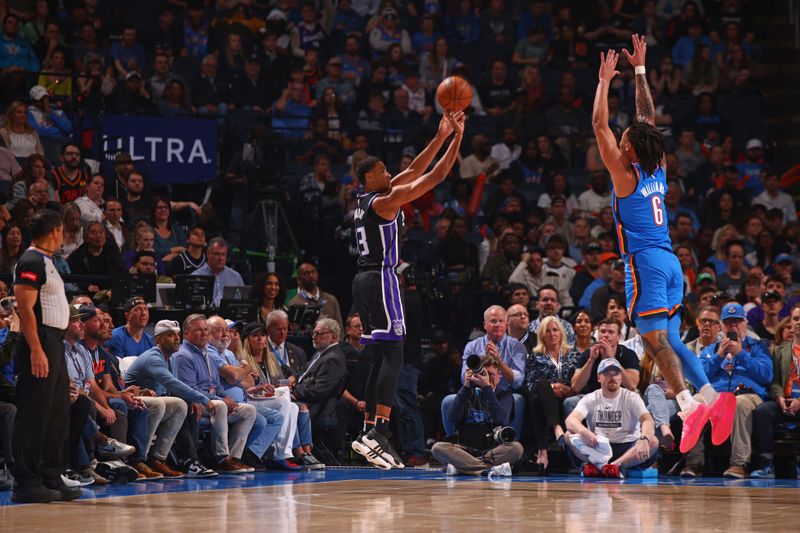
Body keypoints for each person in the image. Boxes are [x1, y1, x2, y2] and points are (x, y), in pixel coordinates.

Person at [592, 35, 735, 454]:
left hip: (647, 263)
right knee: (670, 340)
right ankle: (710, 397)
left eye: (625, 140)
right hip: (673, 263)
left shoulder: (626, 176)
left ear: (630, 148)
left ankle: (690, 408)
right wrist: (638, 70)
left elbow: (599, 125)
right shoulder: (657, 164)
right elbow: (646, 116)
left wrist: (603, 82)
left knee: (653, 341)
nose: (619, 141)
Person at [350, 111, 465, 470]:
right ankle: (378, 430)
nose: (389, 173)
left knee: (382, 356)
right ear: (370, 177)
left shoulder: (368, 199)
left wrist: (440, 134)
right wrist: (458, 137)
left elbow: (414, 169)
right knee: (395, 355)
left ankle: (368, 430)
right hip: (381, 278)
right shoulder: (384, 201)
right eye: (384, 170)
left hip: (364, 280)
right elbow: (436, 175)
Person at [10, 209, 82, 503]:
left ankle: (51, 474)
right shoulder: (30, 260)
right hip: (38, 341)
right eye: (62, 230)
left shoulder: (48, 262)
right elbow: (25, 309)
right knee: (34, 414)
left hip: (54, 341)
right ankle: (26, 481)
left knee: (56, 412)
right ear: (55, 231)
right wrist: (37, 349)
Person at [681, 303, 773, 478]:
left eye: (737, 321)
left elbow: (767, 375)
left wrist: (741, 354)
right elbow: (698, 377)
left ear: (745, 323)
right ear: (722, 326)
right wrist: (718, 357)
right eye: (728, 322)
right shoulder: (710, 350)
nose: (733, 326)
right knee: (696, 402)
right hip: (716, 395)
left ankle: (739, 464)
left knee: (738, 404)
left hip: (748, 394)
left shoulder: (757, 346)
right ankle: (695, 462)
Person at [123, 319, 217, 478]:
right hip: (135, 402)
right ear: (158, 338)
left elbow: (173, 388)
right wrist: (202, 398)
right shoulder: (153, 357)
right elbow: (172, 383)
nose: (176, 338)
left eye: (178, 334)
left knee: (184, 406)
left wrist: (191, 400)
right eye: (170, 334)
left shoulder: (171, 358)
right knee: (167, 405)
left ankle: (159, 458)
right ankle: (140, 459)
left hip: (155, 403)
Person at [171, 314, 257, 473]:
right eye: (199, 330)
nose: (204, 334)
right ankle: (222, 458)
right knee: (221, 406)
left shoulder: (207, 354)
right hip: (194, 402)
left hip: (212, 400)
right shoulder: (183, 355)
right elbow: (189, 389)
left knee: (248, 411)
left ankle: (235, 457)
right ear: (187, 334)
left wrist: (224, 396)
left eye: (205, 330)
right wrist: (220, 399)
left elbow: (216, 385)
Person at [565, 358, 659, 478]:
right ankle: (601, 466)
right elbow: (570, 420)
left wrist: (643, 438)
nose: (613, 377)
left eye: (616, 374)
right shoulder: (590, 398)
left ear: (621, 377)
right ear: (599, 378)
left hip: (626, 447)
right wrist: (585, 432)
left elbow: (647, 420)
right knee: (568, 435)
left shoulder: (632, 397)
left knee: (653, 441)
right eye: (607, 374)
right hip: (598, 446)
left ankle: (615, 466)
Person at [431, 354, 523, 477]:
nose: (487, 378)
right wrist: (465, 386)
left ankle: (463, 467)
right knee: (437, 448)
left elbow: (501, 419)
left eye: (491, 374)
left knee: (516, 448)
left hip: (491, 451)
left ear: (499, 376)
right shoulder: (467, 393)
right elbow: (453, 417)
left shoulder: (504, 396)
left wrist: (487, 388)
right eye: (484, 374)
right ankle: (487, 470)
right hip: (463, 450)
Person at [525, 316, 582, 472]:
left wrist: (567, 389)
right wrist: (551, 387)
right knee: (541, 389)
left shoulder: (573, 354)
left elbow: (579, 381)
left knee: (539, 397)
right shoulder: (535, 356)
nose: (552, 334)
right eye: (547, 331)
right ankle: (557, 429)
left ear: (561, 333)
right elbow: (530, 384)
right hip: (545, 399)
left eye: (555, 330)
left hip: (566, 397)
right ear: (542, 335)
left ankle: (542, 450)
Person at [751, 303, 800, 478]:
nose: (798, 322)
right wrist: (779, 398)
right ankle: (766, 465)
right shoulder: (780, 351)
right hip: (784, 402)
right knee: (763, 411)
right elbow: (774, 381)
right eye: (795, 318)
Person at [291, 317, 347, 459]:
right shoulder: (321, 353)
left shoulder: (333, 358)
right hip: (309, 401)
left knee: (286, 411)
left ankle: (300, 456)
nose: (314, 337)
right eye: (314, 333)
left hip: (320, 408)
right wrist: (295, 378)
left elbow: (318, 391)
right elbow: (306, 372)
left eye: (319, 334)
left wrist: (294, 392)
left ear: (333, 337)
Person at [287, 262, 343, 332]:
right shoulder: (294, 303)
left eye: (313, 272)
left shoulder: (331, 300)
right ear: (298, 280)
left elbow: (340, 328)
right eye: (306, 273)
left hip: (331, 342)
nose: (311, 275)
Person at [191, 237, 244, 307]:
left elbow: (243, 304)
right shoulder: (196, 277)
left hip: (230, 317)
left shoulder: (236, 277)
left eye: (223, 254)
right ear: (208, 254)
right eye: (216, 254)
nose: (220, 258)